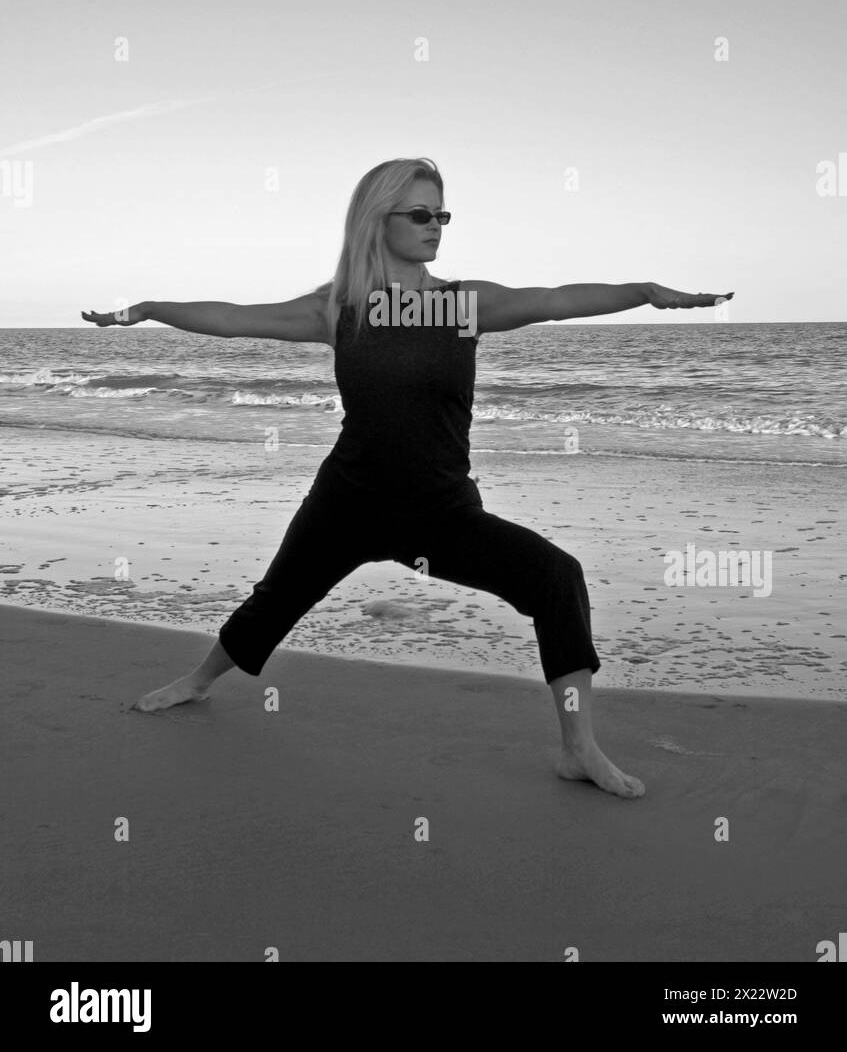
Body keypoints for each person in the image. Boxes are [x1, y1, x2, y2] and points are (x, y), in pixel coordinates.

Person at [82, 156, 732, 799]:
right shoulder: (338, 309)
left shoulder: (461, 305)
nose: (435, 226)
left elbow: (554, 301)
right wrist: (147, 308)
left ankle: (577, 748)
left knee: (555, 578)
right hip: (348, 500)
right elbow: (231, 317)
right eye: (420, 213)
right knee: (276, 599)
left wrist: (642, 292)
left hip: (440, 512)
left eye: (441, 214)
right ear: (378, 219)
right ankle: (198, 680)